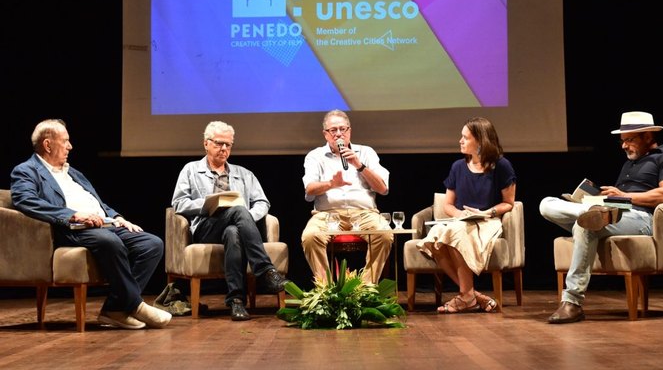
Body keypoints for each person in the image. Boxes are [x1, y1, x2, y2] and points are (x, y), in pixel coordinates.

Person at [10, 119, 171, 330]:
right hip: (69, 228)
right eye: (65, 141)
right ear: (48, 145)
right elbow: (26, 200)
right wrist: (73, 215)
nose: (70, 146)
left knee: (151, 244)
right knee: (109, 241)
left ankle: (115, 309)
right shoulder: (26, 170)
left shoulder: (73, 172)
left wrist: (117, 217)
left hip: (103, 223)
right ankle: (135, 305)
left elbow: (97, 203)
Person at [540, 111, 663, 324]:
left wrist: (623, 196)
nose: (624, 146)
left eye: (629, 140)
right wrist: (600, 199)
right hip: (613, 213)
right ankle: (590, 212)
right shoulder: (630, 163)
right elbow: (620, 199)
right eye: (622, 141)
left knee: (585, 226)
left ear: (648, 136)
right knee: (546, 204)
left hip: (642, 219)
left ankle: (572, 303)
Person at [171, 121, 289, 321]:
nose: (224, 149)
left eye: (228, 145)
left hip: (237, 227)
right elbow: (179, 204)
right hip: (206, 227)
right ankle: (266, 271)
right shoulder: (190, 170)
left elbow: (262, 202)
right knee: (238, 211)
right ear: (206, 144)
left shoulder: (244, 174)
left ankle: (236, 302)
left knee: (234, 231)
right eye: (218, 143)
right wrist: (208, 203)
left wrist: (246, 218)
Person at [416, 117, 516, 313]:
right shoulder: (458, 167)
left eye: (465, 137)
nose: (460, 141)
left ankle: (467, 297)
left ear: (480, 141)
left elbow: (509, 203)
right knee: (434, 238)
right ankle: (471, 295)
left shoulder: (501, 165)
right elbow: (448, 205)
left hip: (488, 221)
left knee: (455, 233)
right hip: (461, 221)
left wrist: (488, 212)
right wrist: (461, 214)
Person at [301, 110, 392, 284]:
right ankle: (326, 291)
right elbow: (310, 189)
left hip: (365, 213)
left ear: (350, 131)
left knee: (385, 235)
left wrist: (359, 165)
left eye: (342, 129)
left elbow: (382, 188)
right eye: (333, 130)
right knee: (310, 237)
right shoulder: (315, 156)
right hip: (327, 214)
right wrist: (331, 184)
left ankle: (365, 289)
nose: (339, 134)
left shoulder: (366, 152)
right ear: (325, 134)